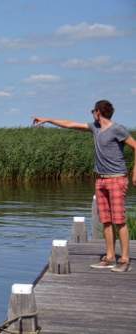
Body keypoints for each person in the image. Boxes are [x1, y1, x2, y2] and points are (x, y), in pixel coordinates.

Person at [33, 100, 136, 272]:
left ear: (97, 112)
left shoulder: (117, 129)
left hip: (117, 179)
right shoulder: (95, 128)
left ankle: (124, 260)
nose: (92, 115)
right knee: (106, 220)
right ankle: (110, 257)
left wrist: (135, 172)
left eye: (92, 112)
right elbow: (70, 124)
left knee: (119, 221)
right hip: (101, 180)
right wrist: (48, 119)